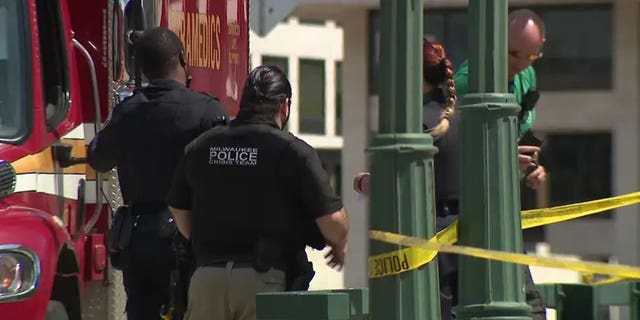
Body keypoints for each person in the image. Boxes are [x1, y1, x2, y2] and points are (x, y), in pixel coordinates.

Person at [353, 39, 546, 320]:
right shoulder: (469, 119)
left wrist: (361, 182)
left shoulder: (415, 124)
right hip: (478, 235)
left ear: (407, 75)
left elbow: (392, 187)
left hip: (433, 246)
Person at [167, 65, 349, 320]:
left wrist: (202, 241)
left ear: (244, 102)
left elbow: (177, 206)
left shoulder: (202, 146)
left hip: (206, 279)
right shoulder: (292, 152)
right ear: (285, 106)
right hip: (264, 284)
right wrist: (338, 243)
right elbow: (334, 224)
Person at [87, 27, 229, 320]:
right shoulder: (205, 110)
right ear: (182, 58)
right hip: (186, 236)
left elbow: (98, 158)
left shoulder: (128, 111)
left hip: (137, 241)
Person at [454, 8, 547, 189]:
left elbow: (522, 133)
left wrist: (529, 170)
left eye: (530, 56)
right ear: (498, 40)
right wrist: (504, 159)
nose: (520, 63)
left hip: (504, 189)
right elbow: (452, 151)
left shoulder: (528, 75)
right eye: (513, 53)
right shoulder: (468, 82)